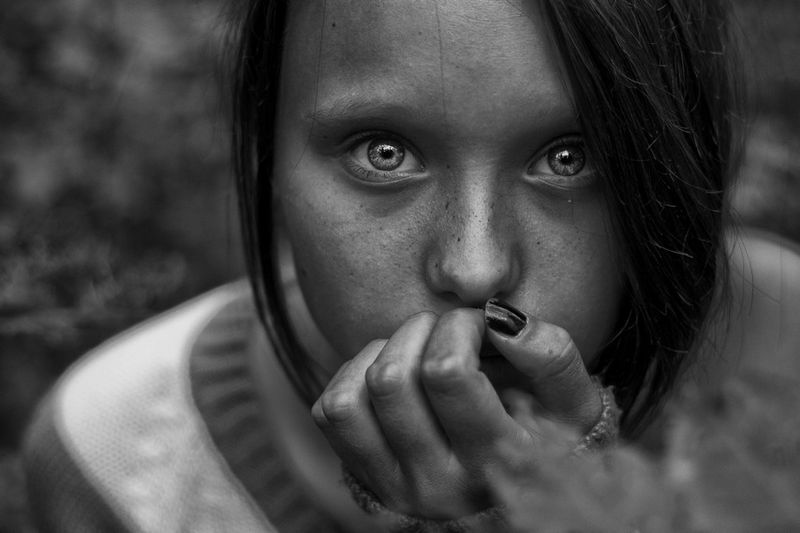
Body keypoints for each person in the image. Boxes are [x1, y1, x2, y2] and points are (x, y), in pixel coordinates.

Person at [22, 0, 800, 531]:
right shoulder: (116, 456)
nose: (476, 268)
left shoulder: (787, 361)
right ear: (266, 159)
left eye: (572, 157)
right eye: (384, 152)